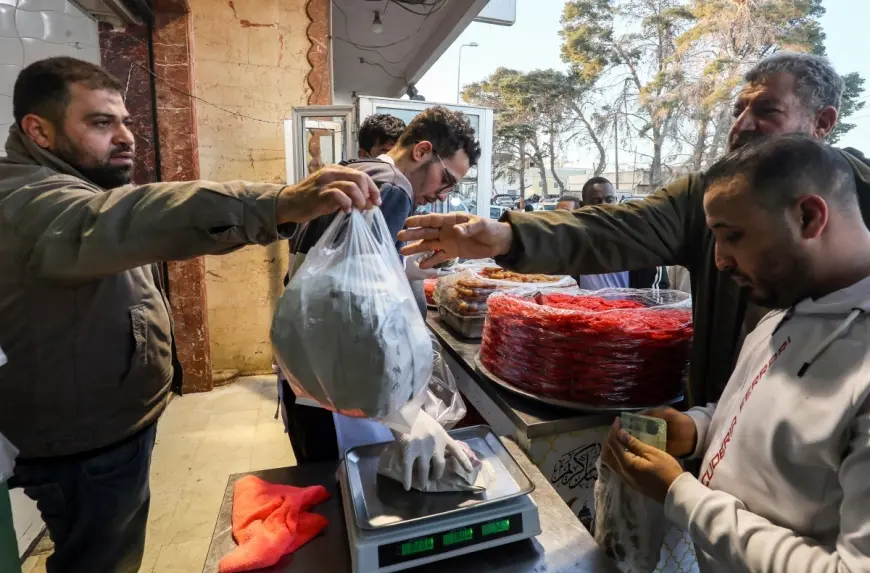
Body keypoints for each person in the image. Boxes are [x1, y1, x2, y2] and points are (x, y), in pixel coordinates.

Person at [0, 57, 381, 573]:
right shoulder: (28, 201)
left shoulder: (70, 189)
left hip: (105, 429)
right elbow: (133, 219)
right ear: (38, 131)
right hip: (81, 445)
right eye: (100, 123)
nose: (125, 137)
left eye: (126, 122)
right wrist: (275, 205)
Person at [399, 52, 870, 409]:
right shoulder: (704, 196)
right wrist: (508, 236)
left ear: (822, 123)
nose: (742, 125)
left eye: (767, 110)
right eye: (737, 110)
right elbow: (611, 229)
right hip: (718, 426)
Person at [602, 135, 870, 572]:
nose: (721, 260)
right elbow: (767, 427)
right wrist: (696, 428)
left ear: (809, 217)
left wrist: (681, 495)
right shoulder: (782, 313)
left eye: (733, 237)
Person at [279, 106, 481, 470]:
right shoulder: (392, 187)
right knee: (344, 486)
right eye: (447, 180)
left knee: (316, 472)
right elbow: (361, 306)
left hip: (305, 360)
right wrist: (399, 408)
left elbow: (340, 271)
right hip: (338, 376)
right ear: (421, 152)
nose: (442, 194)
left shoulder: (357, 171)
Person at [571, 177, 670, 291]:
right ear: (583, 205)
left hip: (632, 308)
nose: (605, 206)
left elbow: (658, 289)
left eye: (609, 200)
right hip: (585, 307)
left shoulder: (638, 240)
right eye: (596, 201)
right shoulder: (574, 242)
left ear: (616, 201)